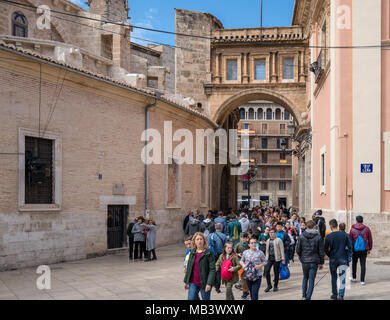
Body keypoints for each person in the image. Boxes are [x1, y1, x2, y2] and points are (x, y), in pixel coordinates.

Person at [296, 220, 325, 300]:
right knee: (311, 280)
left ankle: (303, 296)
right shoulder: (318, 237)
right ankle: (308, 297)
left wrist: (301, 257)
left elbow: (298, 249)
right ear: (314, 227)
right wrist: (321, 262)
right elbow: (321, 251)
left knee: (305, 277)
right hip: (314, 261)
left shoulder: (301, 236)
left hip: (305, 260)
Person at [324, 219, 352, 300]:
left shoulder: (328, 236)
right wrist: (348, 255)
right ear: (336, 225)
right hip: (343, 258)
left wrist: (330, 255)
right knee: (343, 277)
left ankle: (334, 294)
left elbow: (325, 249)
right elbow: (350, 247)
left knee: (333, 277)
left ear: (331, 226)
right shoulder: (345, 235)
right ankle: (341, 294)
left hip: (333, 259)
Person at [184, 232, 216, 300]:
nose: (199, 241)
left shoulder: (209, 252)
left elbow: (212, 269)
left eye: (201, 239)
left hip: (204, 282)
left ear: (204, 240)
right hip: (193, 282)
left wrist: (209, 283)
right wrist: (186, 281)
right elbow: (189, 268)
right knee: (191, 298)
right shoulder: (192, 252)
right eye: (197, 239)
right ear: (194, 241)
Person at [349, 215, 373, 285]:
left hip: (355, 250)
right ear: (362, 221)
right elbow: (370, 239)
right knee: (363, 264)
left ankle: (354, 277)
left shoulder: (352, 229)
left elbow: (350, 240)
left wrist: (351, 249)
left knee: (354, 263)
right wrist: (369, 248)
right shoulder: (367, 229)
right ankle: (362, 280)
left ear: (356, 221)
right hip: (364, 249)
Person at [207, 224, 227, 293]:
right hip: (219, 255)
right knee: (218, 270)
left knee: (212, 268)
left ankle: (211, 283)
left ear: (215, 228)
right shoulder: (224, 236)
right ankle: (217, 287)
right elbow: (225, 247)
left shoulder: (209, 235)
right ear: (221, 228)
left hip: (211, 254)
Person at [234, 233, 250, 299]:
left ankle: (247, 291)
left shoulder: (249, 245)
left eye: (244, 238)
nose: (243, 239)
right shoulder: (238, 245)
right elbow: (234, 252)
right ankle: (245, 292)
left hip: (248, 264)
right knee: (243, 278)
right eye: (242, 238)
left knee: (248, 279)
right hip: (240, 264)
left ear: (247, 238)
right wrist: (238, 254)